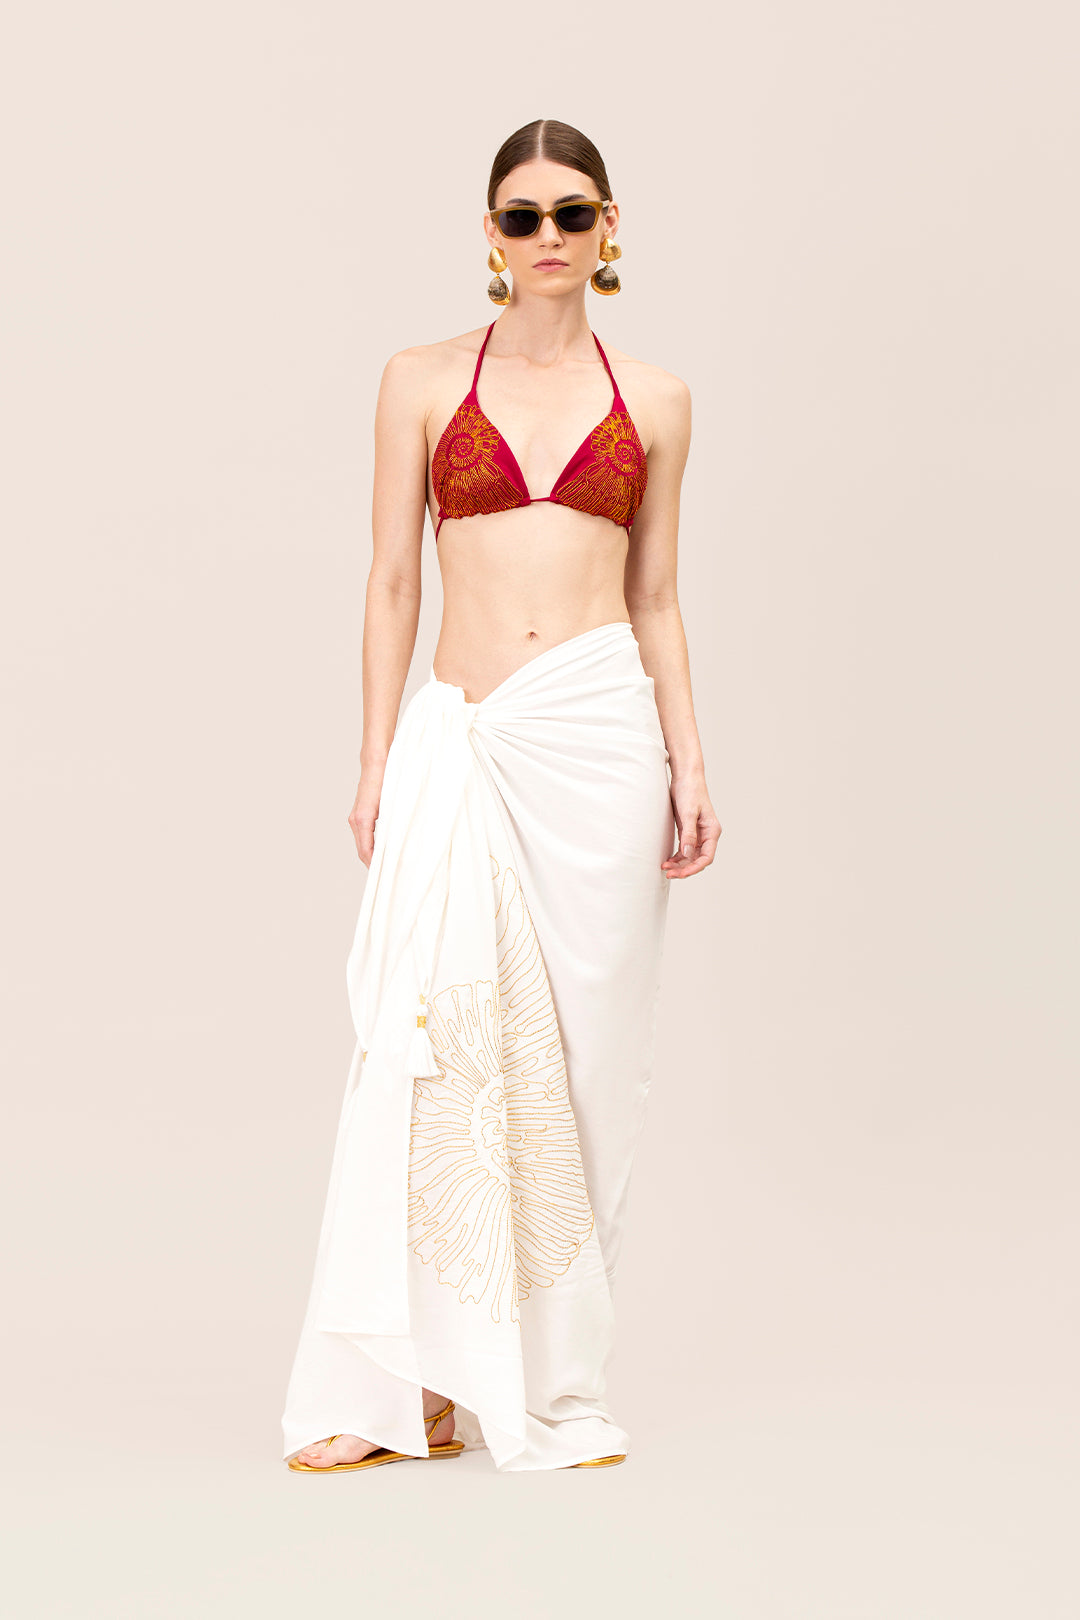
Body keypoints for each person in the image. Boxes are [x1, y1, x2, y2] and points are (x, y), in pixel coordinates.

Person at [281, 117, 721, 1475]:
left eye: (571, 213)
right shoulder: (421, 381)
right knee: (434, 1051)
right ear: (489, 233)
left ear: (609, 226)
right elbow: (390, 582)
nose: (547, 237)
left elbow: (657, 595)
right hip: (466, 735)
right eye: (522, 216)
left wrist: (691, 761)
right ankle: (405, 1382)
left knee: (585, 1068)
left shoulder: (657, 399)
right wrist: (375, 756)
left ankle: (549, 1379)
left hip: (601, 744)